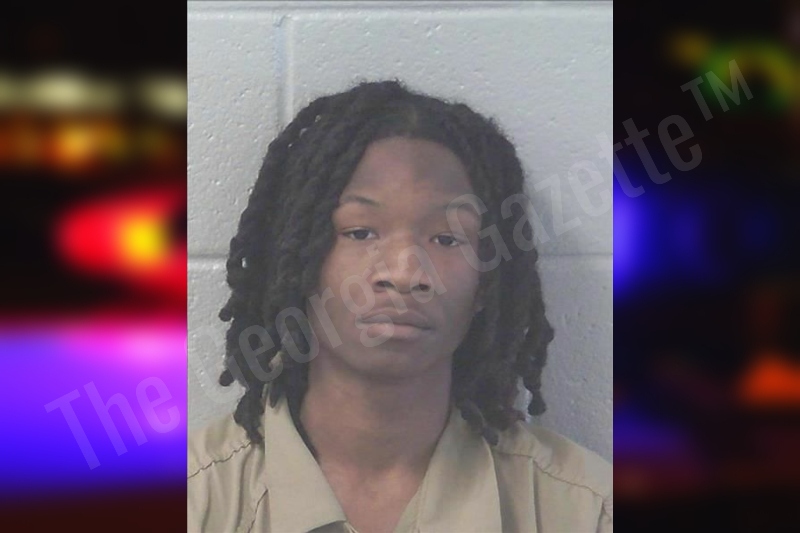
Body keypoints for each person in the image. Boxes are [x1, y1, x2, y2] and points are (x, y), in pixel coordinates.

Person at [187, 80, 612, 533]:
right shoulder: (193, 499)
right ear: (295, 261)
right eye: (360, 232)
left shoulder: (585, 510)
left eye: (446, 239)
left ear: (486, 282)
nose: (405, 272)